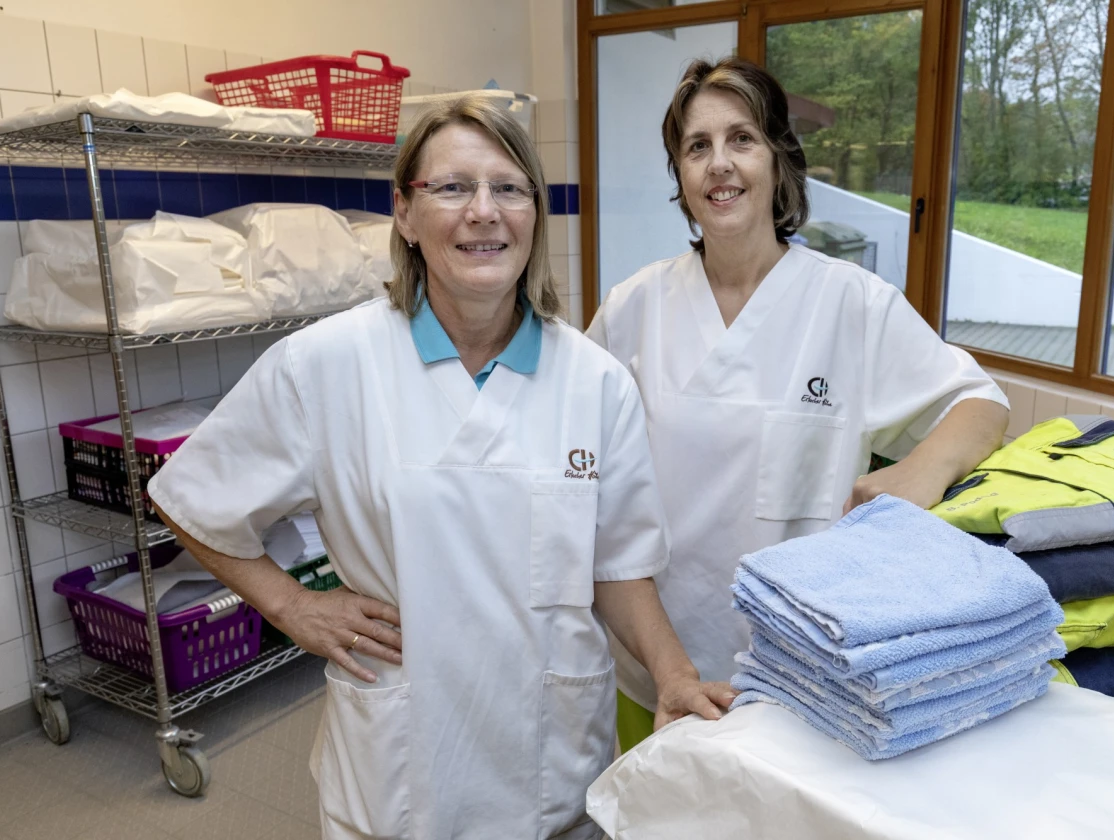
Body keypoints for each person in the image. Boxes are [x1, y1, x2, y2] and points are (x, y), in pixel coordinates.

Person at [148, 94, 733, 840]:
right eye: (452, 187)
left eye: (509, 189)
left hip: (548, 759)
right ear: (404, 212)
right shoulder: (327, 364)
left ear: (533, 215)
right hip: (403, 762)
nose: (484, 212)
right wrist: (292, 606)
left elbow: (618, 566)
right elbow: (191, 498)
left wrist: (674, 674)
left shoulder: (594, 382)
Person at [586, 57, 1011, 752]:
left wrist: (919, 472)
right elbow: (585, 474)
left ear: (780, 160)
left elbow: (980, 404)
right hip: (653, 665)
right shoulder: (635, 306)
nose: (720, 164)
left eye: (742, 139)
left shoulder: (850, 302)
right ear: (681, 178)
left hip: (804, 675)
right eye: (698, 147)